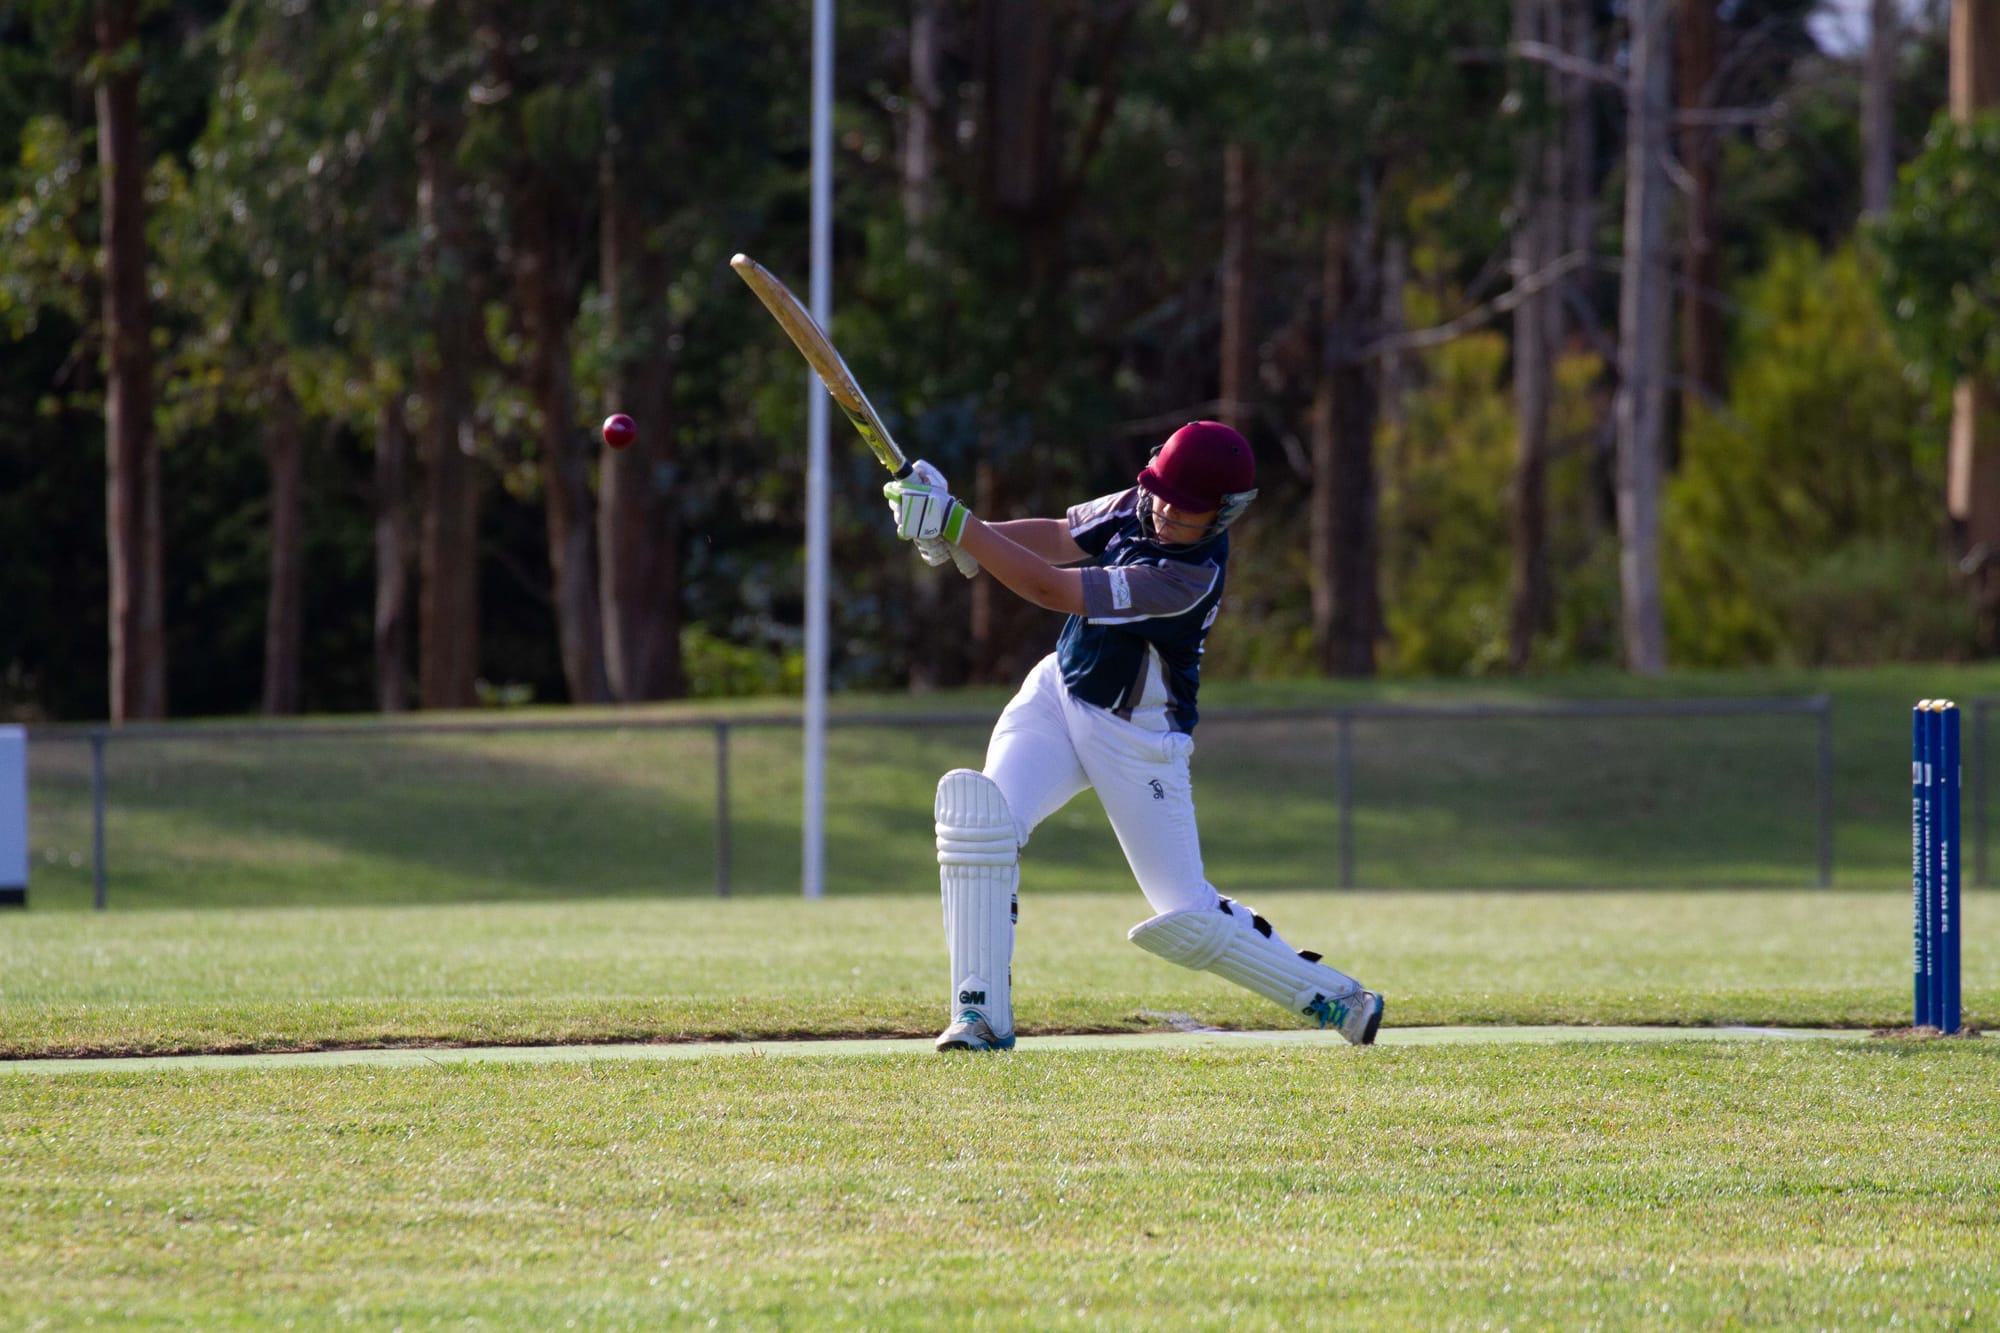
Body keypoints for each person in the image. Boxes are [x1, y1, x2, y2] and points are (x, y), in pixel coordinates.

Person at [883, 421, 1383, 1053]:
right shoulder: (1143, 502)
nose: (1169, 510)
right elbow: (1060, 538)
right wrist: (953, 532)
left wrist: (958, 526)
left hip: (1138, 738)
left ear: (1223, 514)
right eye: (1164, 491)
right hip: (1059, 692)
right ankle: (979, 1015)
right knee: (982, 827)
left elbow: (1050, 585)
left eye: (1189, 505)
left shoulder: (1187, 576)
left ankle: (1338, 998)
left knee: (1187, 915)